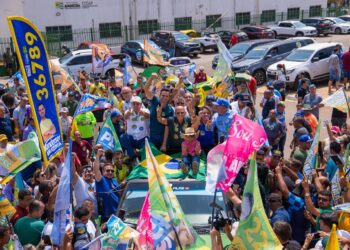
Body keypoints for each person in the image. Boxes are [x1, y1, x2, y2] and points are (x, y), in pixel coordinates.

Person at [93, 148, 120, 221]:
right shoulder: (101, 180)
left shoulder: (114, 181)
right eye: (108, 171)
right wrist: (98, 155)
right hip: (106, 217)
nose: (110, 172)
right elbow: (96, 169)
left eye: (112, 171)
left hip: (117, 214)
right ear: (103, 172)